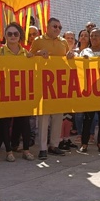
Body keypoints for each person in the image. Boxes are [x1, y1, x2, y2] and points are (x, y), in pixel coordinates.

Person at [0, 23, 36, 161]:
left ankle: (26, 150)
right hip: (5, 92)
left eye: (15, 34)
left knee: (24, 122)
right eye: (9, 34)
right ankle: (8, 151)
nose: (12, 36)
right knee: (6, 122)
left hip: (22, 92)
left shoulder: (26, 53)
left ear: (20, 36)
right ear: (5, 36)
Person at [30, 18, 70, 159]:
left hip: (59, 84)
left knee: (58, 116)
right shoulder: (38, 40)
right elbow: (29, 58)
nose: (57, 29)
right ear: (47, 26)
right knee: (43, 117)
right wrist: (38, 54)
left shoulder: (63, 42)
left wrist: (71, 57)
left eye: (60, 27)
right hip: (42, 83)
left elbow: (67, 60)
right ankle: (42, 148)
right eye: (54, 26)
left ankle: (54, 145)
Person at [73, 28, 100, 153]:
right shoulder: (84, 52)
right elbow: (78, 67)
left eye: (96, 36)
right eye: (91, 36)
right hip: (89, 89)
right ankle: (84, 143)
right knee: (88, 118)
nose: (93, 38)